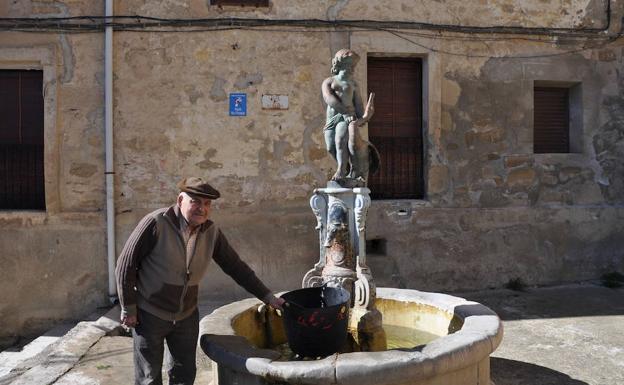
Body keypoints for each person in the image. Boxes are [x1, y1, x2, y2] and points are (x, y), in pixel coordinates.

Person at [116, 177, 285, 385]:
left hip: (186, 315)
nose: (202, 209)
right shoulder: (156, 223)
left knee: (184, 374)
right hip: (150, 313)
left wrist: (267, 296)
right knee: (149, 378)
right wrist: (129, 308)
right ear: (180, 200)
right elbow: (125, 265)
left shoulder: (211, 232)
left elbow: (236, 267)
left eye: (207, 204)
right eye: (195, 201)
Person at [321, 49, 376, 181]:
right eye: (349, 66)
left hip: (346, 119)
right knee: (330, 147)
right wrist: (344, 111)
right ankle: (345, 166)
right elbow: (329, 98)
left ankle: (340, 170)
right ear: (341, 66)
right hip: (333, 119)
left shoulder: (353, 85)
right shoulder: (329, 82)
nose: (352, 69)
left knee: (340, 140)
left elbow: (358, 105)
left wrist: (365, 115)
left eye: (353, 66)